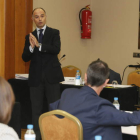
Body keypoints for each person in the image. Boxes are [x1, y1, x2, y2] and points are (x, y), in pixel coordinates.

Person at [50, 60, 140, 140]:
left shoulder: (67, 93)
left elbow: (52, 110)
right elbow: (133, 119)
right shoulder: (100, 106)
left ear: (85, 77)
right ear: (106, 82)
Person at [22, 7, 64, 140]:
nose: (39, 19)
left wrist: (39, 45)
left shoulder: (54, 33)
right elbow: (24, 57)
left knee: (54, 110)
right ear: (32, 19)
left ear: (45, 17)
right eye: (36, 16)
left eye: (42, 16)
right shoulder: (29, 37)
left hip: (52, 78)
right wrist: (31, 46)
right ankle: (37, 137)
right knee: (36, 111)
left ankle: (54, 136)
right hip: (36, 79)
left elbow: (56, 49)